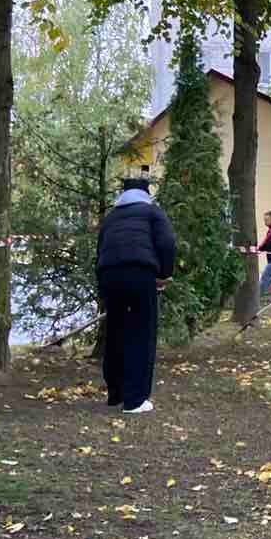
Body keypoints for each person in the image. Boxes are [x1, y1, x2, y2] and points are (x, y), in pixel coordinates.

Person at [95, 174, 176, 414]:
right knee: (142, 333)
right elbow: (167, 243)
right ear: (146, 194)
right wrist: (163, 274)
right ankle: (135, 400)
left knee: (116, 332)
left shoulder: (111, 218)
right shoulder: (153, 213)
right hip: (140, 274)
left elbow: (100, 250)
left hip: (109, 276)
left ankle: (115, 394)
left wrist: (103, 285)